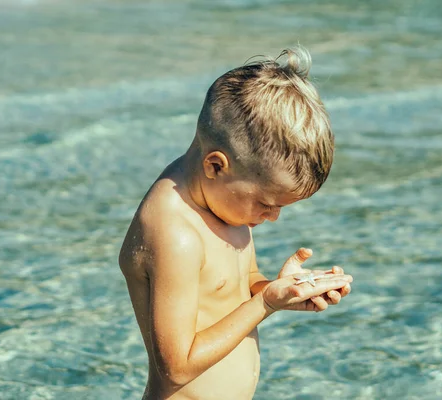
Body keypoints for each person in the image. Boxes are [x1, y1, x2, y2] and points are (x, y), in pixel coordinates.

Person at [119, 46, 353, 400]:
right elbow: (177, 368)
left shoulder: (224, 203)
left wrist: (281, 291)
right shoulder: (174, 233)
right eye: (266, 203)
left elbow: (240, 284)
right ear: (216, 166)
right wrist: (265, 305)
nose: (272, 216)